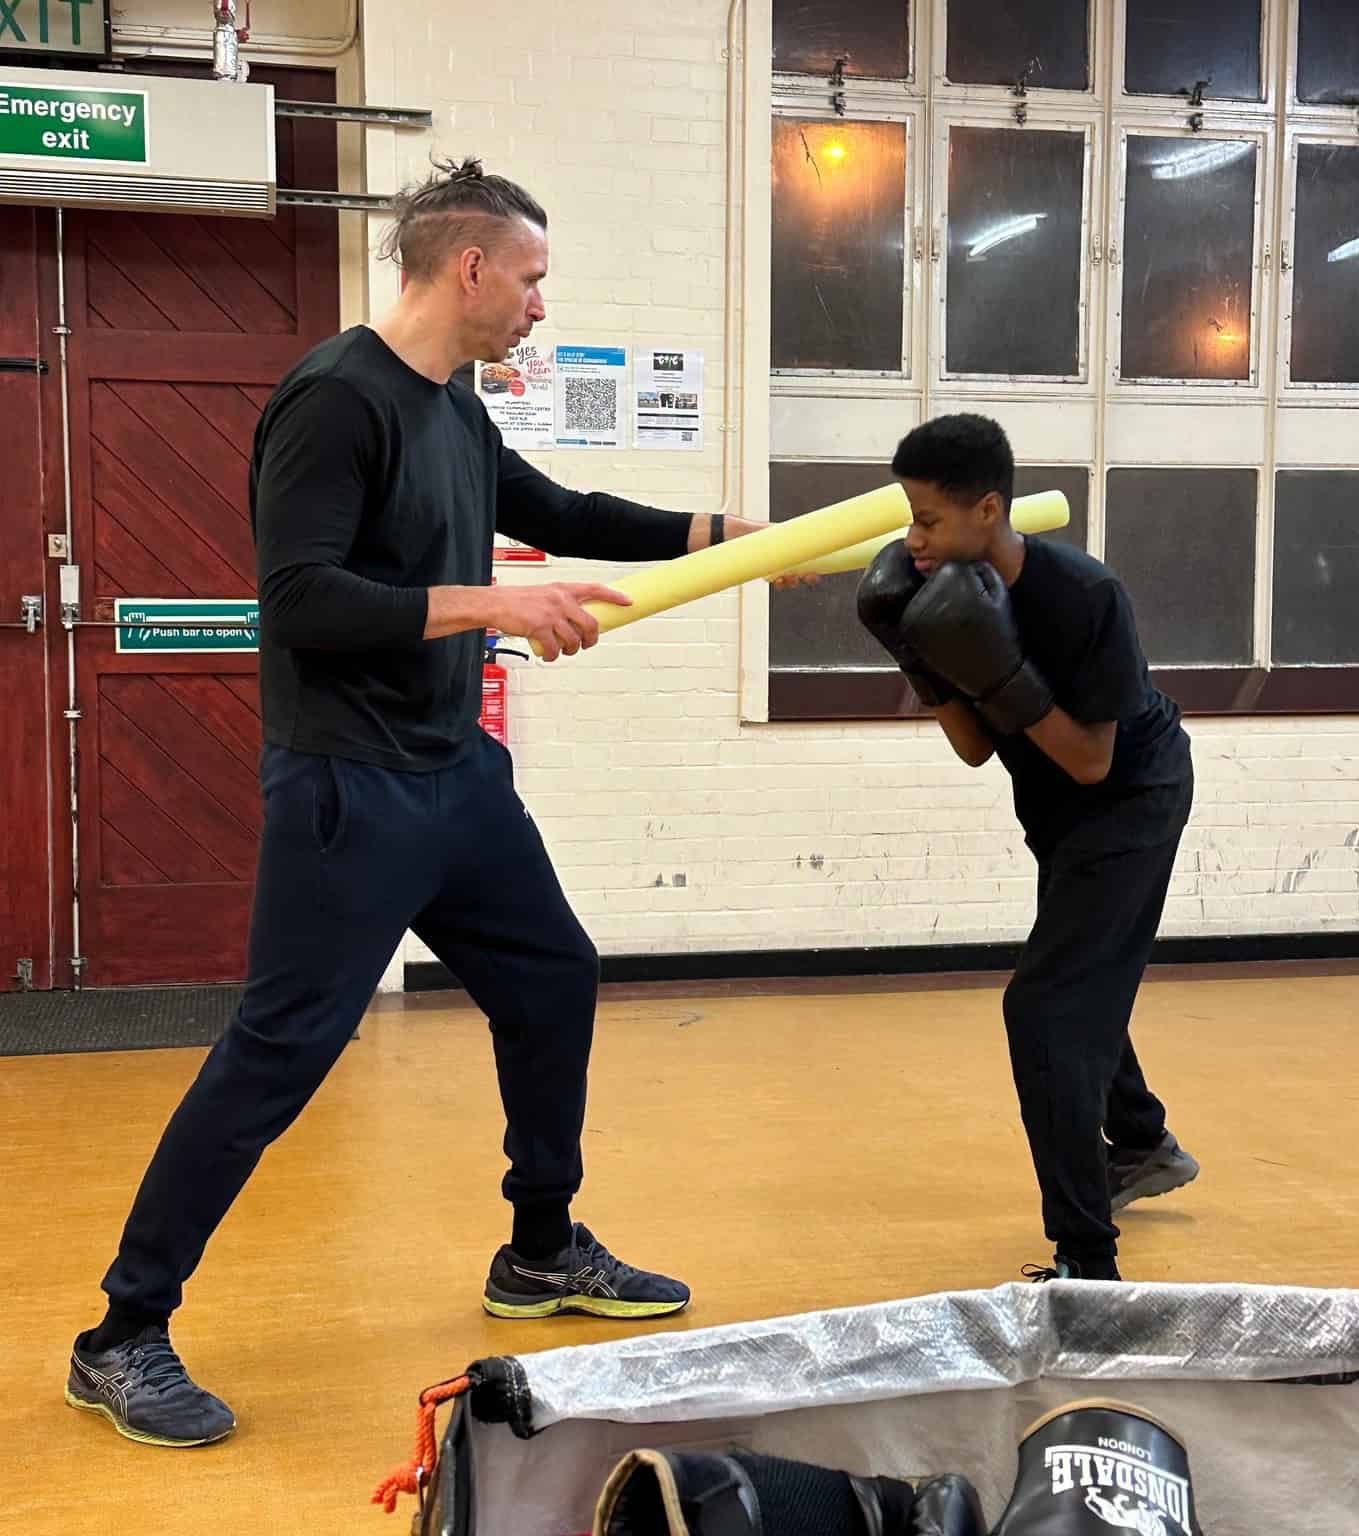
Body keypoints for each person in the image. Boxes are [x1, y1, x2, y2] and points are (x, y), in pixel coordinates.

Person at [66, 157, 778, 1447]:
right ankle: (124, 1331)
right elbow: (300, 602)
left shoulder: (453, 408)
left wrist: (721, 535)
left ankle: (542, 1250)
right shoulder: (336, 401)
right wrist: (492, 603)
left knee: (554, 976)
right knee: (280, 1055)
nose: (540, 307)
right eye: (533, 279)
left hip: (456, 777)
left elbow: (549, 509)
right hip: (350, 785)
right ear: (469, 268)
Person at [857, 414, 1200, 1282]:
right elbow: (976, 747)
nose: (914, 540)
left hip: (1132, 801)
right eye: (909, 518)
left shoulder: (1085, 597)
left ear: (989, 509)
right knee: (1080, 975)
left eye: (929, 520)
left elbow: (1092, 759)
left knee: (1045, 1008)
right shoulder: (937, 598)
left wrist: (1007, 674)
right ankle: (1144, 1142)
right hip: (1054, 810)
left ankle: (1088, 1265)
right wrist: (915, 650)